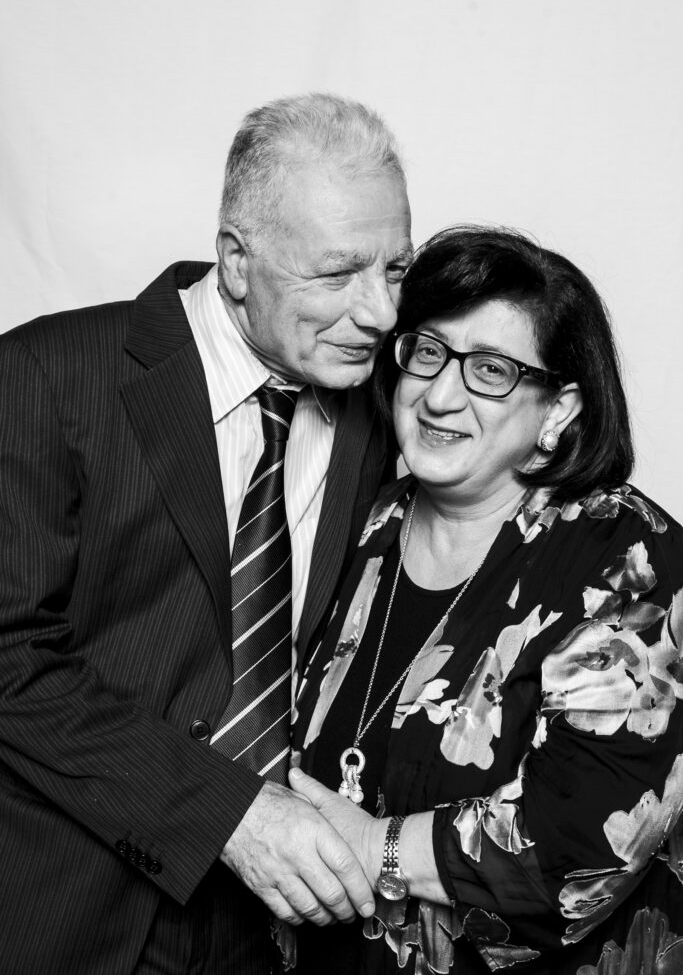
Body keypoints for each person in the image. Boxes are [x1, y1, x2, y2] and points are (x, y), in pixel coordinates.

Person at [0, 93, 413, 974]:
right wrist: (228, 816)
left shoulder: (384, 410)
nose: (379, 312)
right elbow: (7, 662)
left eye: (396, 269)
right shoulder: (47, 374)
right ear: (235, 260)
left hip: (271, 929)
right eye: (338, 273)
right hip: (72, 907)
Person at [289, 225, 683, 974]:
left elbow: (584, 839)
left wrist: (367, 848)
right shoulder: (358, 520)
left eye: (491, 370)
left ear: (559, 409)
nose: (439, 394)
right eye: (428, 352)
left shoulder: (628, 559)